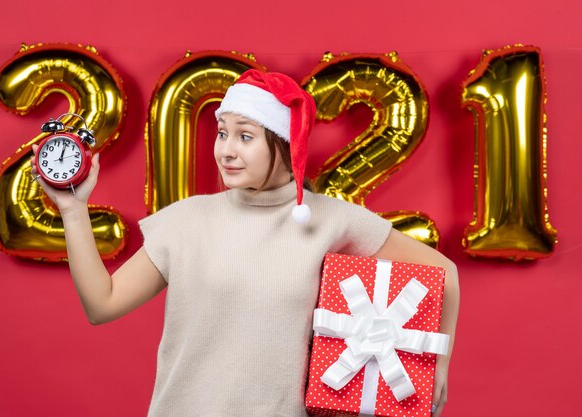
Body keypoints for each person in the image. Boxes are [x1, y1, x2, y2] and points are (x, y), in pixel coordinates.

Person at [31, 69, 459, 417]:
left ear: (285, 143)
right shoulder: (187, 220)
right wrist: (73, 211)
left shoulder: (330, 219)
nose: (226, 151)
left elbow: (445, 273)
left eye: (245, 136)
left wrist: (435, 365)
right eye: (222, 133)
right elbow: (101, 305)